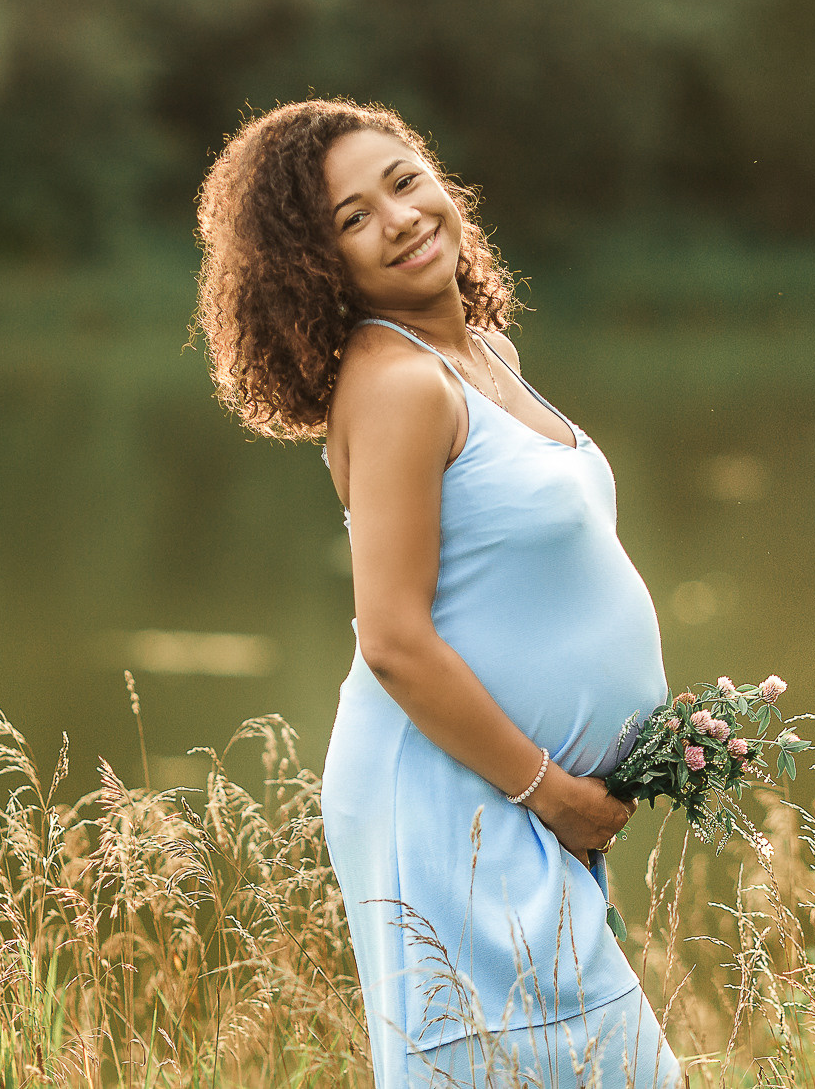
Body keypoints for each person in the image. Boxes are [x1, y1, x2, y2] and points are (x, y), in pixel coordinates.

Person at [195, 98, 684, 1088]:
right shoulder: (395, 386)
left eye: (404, 179)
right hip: (454, 794)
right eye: (350, 218)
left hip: (509, 794)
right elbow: (391, 638)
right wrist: (550, 794)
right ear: (314, 265)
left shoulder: (484, 357)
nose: (399, 216)